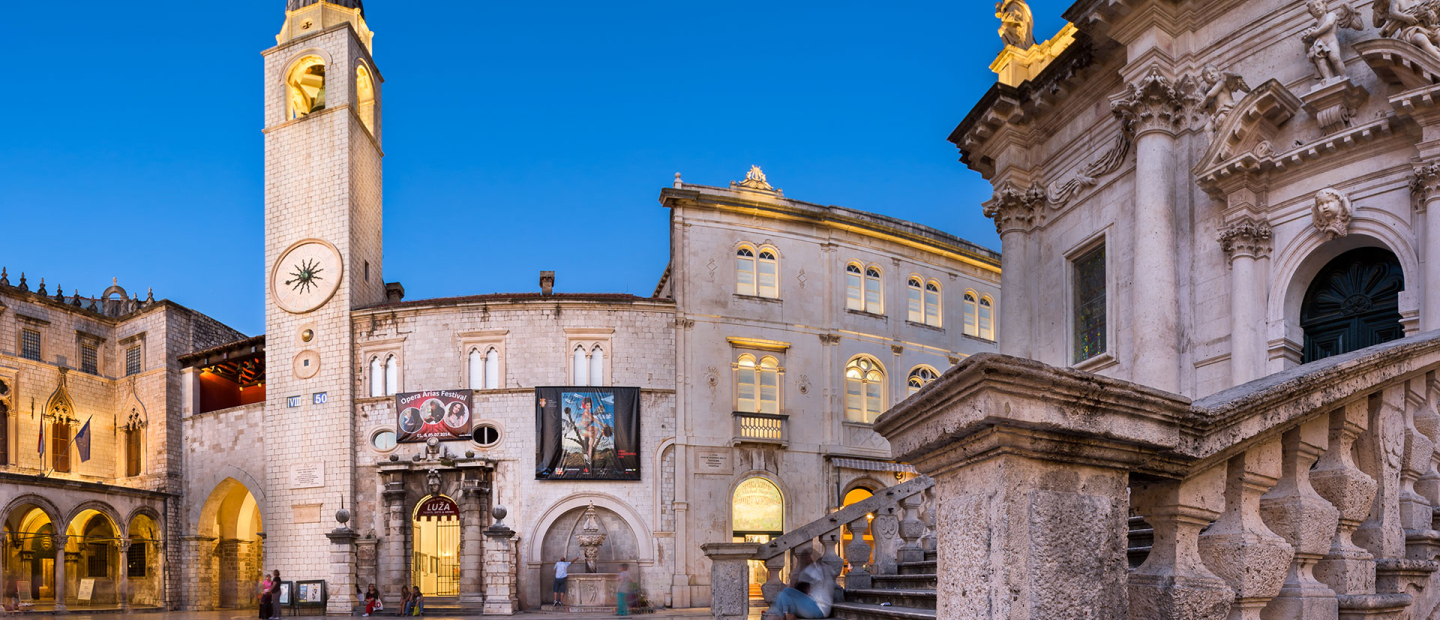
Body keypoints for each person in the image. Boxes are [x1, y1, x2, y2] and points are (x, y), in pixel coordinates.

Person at [791, 547, 838, 617]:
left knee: (786, 595)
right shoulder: (824, 567)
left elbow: (799, 589)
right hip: (823, 606)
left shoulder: (811, 570)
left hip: (818, 608)